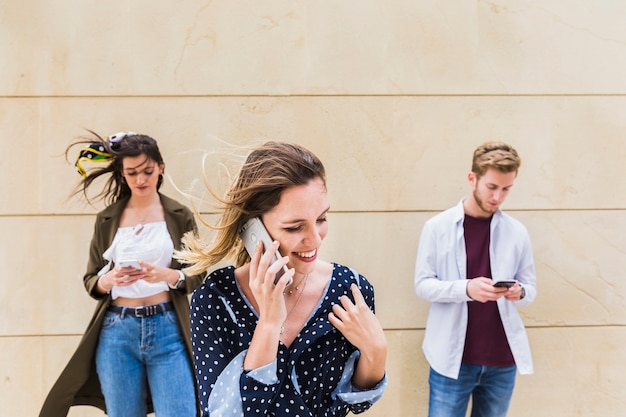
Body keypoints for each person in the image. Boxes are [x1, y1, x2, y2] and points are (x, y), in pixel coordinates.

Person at [175, 141, 388, 417]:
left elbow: (354, 403)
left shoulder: (351, 291)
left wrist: (376, 351)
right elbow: (226, 412)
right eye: (295, 227)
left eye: (321, 218)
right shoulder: (217, 298)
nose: (314, 239)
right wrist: (269, 323)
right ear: (254, 228)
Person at [39, 131, 204, 417]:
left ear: (160, 168)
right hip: (117, 331)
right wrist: (109, 279)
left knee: (181, 412)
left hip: (168, 327)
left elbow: (198, 274)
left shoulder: (180, 215)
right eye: (132, 172)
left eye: (147, 171)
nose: (141, 179)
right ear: (122, 173)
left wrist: (167, 275)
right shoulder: (107, 219)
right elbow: (92, 279)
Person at [414, 141, 536, 417]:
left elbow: (531, 288)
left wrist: (520, 292)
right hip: (453, 360)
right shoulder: (437, 227)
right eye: (492, 187)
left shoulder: (517, 232)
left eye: (506, 189)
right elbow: (422, 284)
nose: (498, 196)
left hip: (503, 362)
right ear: (473, 178)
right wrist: (466, 288)